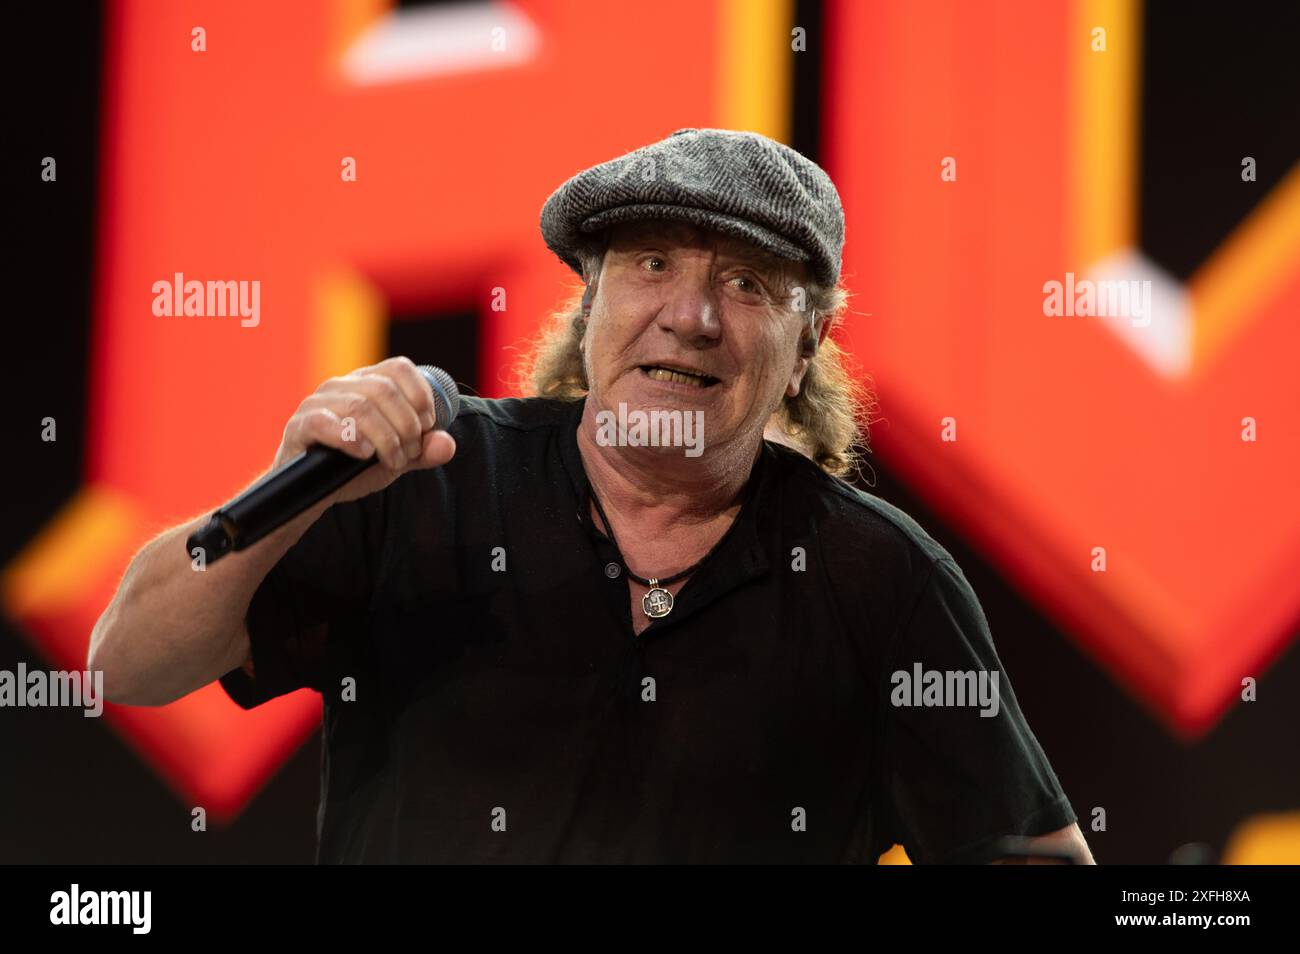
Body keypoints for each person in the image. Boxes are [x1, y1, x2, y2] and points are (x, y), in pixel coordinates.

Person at [89, 128, 1093, 864]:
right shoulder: (420, 486)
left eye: (747, 286)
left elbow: (1033, 853)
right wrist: (290, 489)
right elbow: (125, 665)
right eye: (652, 264)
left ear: (804, 352)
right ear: (590, 308)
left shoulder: (880, 579)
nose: (691, 317)